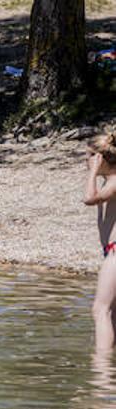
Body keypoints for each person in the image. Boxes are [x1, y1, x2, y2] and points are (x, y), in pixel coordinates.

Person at [84, 134, 116, 351]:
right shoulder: (110, 182)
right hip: (110, 251)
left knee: (100, 310)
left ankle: (101, 372)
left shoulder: (114, 182)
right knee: (111, 313)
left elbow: (89, 199)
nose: (86, 160)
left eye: (90, 156)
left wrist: (93, 173)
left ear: (101, 158)